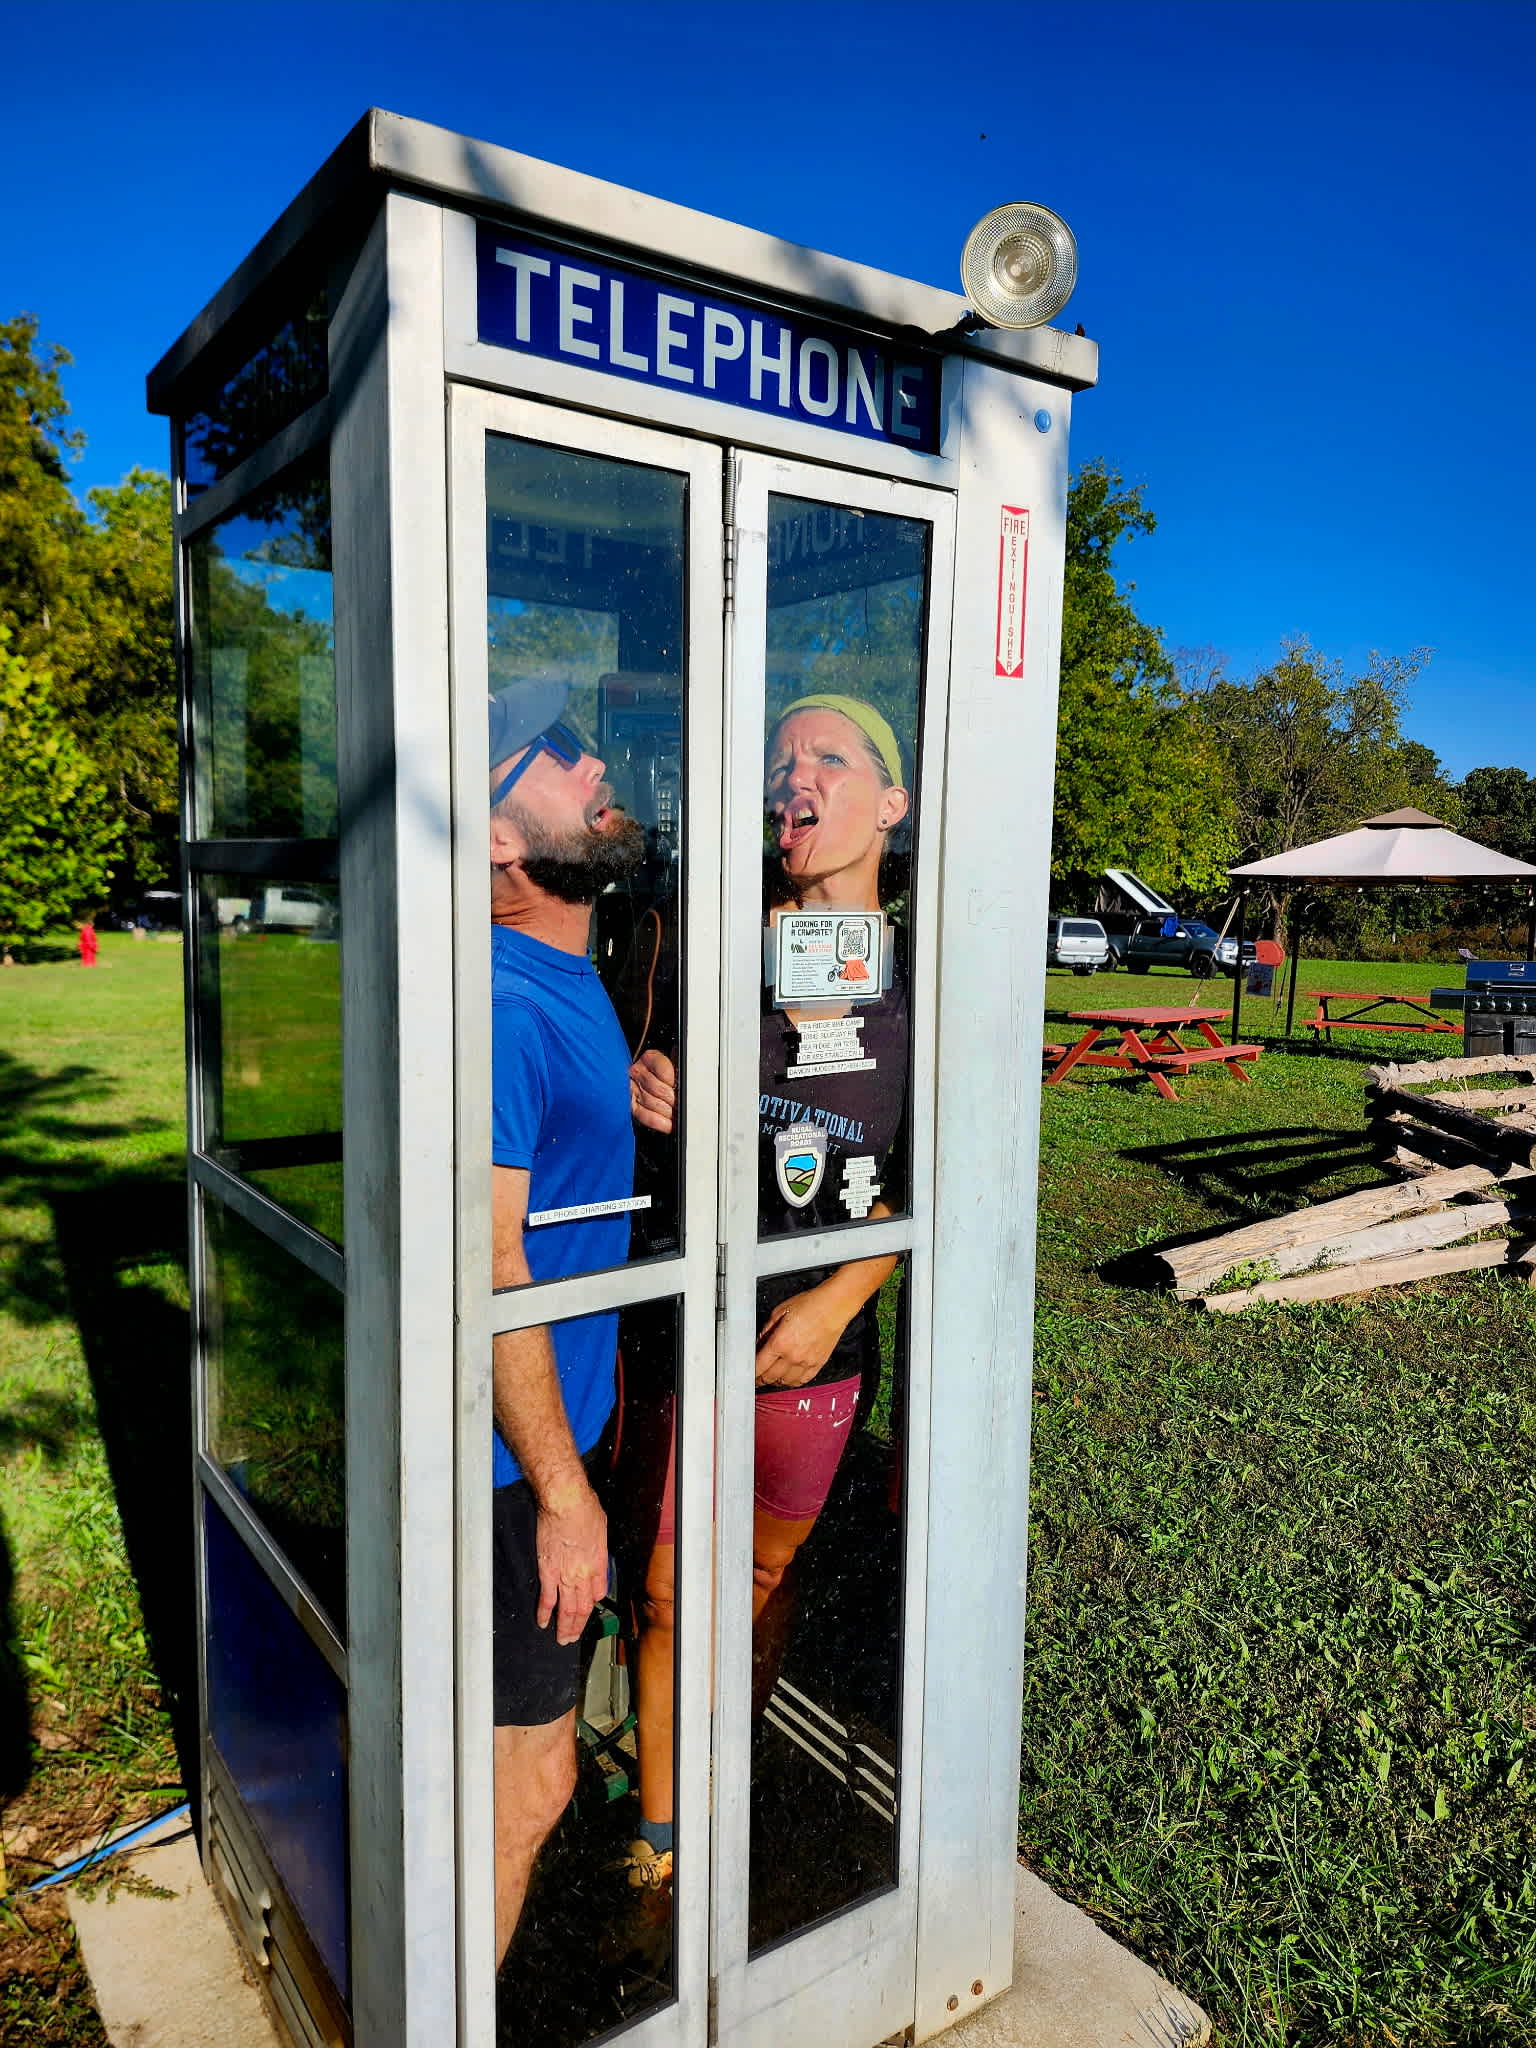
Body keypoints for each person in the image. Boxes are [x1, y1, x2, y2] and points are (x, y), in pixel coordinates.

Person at [622, 691, 912, 1904]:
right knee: (663, 1585)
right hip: (699, 1305)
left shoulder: (929, 964)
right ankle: (659, 1836)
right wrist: (651, 1094)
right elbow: (671, 1131)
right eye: (781, 760)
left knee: (760, 1580)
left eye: (828, 758)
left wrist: (842, 1297)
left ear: (890, 803)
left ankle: (726, 1773)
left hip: (822, 1333)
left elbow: (957, 1169)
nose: (798, 779)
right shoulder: (717, 945)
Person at [486, 673, 648, 1963]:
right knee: (520, 1795)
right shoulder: (498, 1003)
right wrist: (559, 1489)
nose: (592, 764)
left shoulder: (559, 969)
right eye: (551, 752)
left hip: (541, 1445)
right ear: (494, 835)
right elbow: (493, 1265)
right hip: (507, 1469)